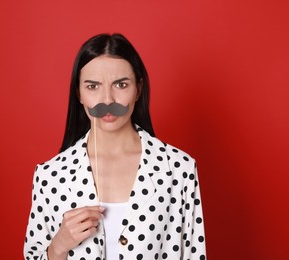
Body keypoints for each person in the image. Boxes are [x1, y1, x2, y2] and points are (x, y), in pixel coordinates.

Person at [24, 33, 206, 260]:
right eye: (93, 86)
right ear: (79, 93)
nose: (107, 100)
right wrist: (57, 248)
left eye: (121, 85)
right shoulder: (50, 176)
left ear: (138, 89)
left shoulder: (179, 169)